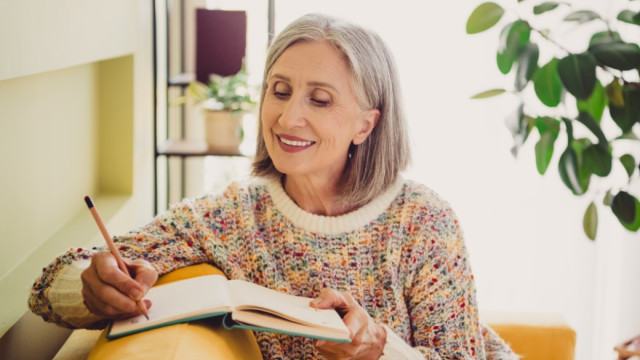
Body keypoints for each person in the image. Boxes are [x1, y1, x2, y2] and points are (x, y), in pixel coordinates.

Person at [29, 13, 518, 359]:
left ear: (365, 126)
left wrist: (380, 350)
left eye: (320, 100)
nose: (288, 117)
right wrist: (92, 287)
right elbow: (46, 286)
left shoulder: (422, 220)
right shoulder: (231, 216)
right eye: (279, 91)